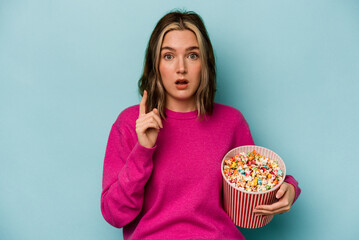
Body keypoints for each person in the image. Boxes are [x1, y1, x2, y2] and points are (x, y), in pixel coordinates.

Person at [101, 10, 301, 239]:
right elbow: (115, 215)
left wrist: (290, 188)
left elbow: (257, 180)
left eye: (192, 55)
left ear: (205, 62)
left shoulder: (231, 122)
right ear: (155, 65)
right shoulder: (130, 123)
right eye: (168, 56)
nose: (181, 68)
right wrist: (143, 150)